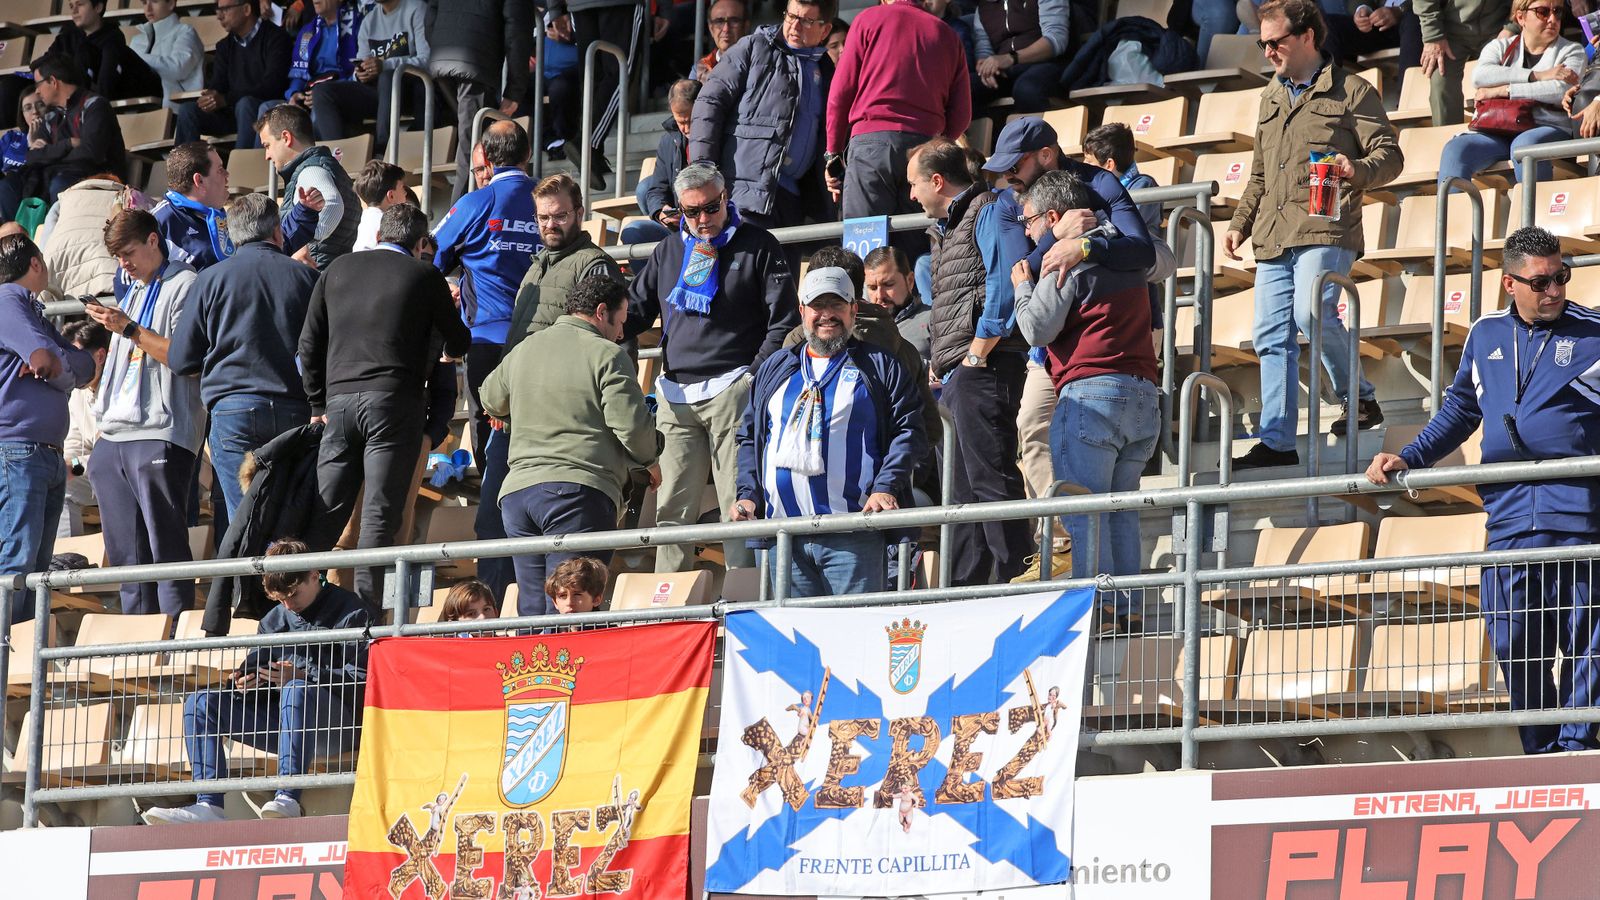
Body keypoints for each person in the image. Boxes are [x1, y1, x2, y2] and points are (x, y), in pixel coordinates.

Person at [1366, 225, 1600, 755]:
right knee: (1516, 642)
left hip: (1579, 514)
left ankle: (1577, 747)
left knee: (1589, 641)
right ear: (1508, 283)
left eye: (1561, 277)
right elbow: (1460, 412)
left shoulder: (1593, 332)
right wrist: (1412, 455)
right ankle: (1540, 752)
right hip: (1510, 515)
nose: (1554, 291)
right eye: (1541, 282)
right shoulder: (1485, 334)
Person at [1225, 0, 1401, 469]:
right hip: (1272, 233)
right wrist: (1239, 223)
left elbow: (1391, 155)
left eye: (1275, 42)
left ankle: (1358, 397)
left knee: (1310, 311)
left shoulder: (1352, 90)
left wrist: (1356, 168)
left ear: (1307, 37)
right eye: (1262, 43)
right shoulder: (1270, 96)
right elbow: (1260, 174)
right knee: (1269, 336)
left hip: (1326, 226)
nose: (1268, 52)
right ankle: (1278, 442)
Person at [625, 162, 800, 573]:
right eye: (691, 211)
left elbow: (784, 321)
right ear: (679, 210)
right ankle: (671, 608)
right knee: (671, 510)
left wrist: (752, 377)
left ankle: (743, 602)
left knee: (736, 507)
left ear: (727, 198)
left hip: (733, 388)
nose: (703, 219)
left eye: (711, 207)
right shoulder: (668, 250)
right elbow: (633, 311)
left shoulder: (758, 244)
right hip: (675, 394)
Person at [299, 203, 471, 605]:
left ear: (379, 236)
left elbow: (308, 344)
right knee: (380, 516)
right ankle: (368, 618)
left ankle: (301, 605)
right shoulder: (424, 274)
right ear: (420, 243)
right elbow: (458, 339)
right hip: (394, 405)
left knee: (326, 512)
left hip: (338, 404)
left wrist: (316, 401)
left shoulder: (336, 269)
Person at [1012, 170, 1158, 630]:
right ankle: (1126, 611)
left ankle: (1097, 615)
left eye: (1030, 222)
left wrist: (1021, 285)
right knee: (1121, 515)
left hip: (1091, 395)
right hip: (1142, 396)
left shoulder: (1064, 259)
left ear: (1054, 218)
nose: (1028, 233)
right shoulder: (1127, 250)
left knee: (1083, 514)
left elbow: (1036, 328)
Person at [141, 538, 372, 825]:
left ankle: (287, 796)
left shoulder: (351, 611)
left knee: (297, 689)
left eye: (293, 595)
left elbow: (363, 681)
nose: (287, 605)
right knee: (200, 703)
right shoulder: (273, 620)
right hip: (286, 723)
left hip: (337, 726)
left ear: (315, 576)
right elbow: (257, 671)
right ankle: (208, 804)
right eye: (280, 599)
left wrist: (304, 677)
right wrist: (244, 685)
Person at [734, 266, 926, 597]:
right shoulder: (776, 367)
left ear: (854, 309)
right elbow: (750, 437)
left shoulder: (879, 366)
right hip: (785, 537)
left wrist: (886, 487)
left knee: (857, 640)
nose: (827, 315)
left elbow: (908, 430)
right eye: (817, 306)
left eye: (836, 305)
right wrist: (748, 494)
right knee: (799, 643)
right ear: (802, 312)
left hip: (854, 534)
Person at [480, 276, 658, 616]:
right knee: (569, 608)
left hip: (519, 496)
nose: (621, 334)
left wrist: (515, 412)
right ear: (602, 312)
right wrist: (650, 458)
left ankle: (536, 671)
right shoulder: (608, 354)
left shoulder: (526, 348)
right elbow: (633, 427)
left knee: (534, 611)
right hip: (577, 492)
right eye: (620, 322)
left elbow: (489, 396)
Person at [911, 137, 1035, 585]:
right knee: (961, 495)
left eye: (914, 184)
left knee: (990, 480)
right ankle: (966, 591)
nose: (911, 194)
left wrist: (975, 354)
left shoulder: (988, 210)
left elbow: (1004, 282)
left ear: (937, 181)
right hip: (959, 371)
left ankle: (1016, 581)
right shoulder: (948, 225)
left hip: (986, 365)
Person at [79, 209, 206, 617]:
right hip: (114, 435)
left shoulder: (187, 284)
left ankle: (171, 642)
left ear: (154, 240)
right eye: (117, 258)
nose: (124, 265)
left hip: (160, 430)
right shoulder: (132, 291)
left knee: (166, 549)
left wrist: (130, 328)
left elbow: (185, 358)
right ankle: (138, 642)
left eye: (129, 253)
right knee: (125, 558)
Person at [168, 193, 319, 519]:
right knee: (290, 519)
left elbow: (181, 359)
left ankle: (250, 571)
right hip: (297, 408)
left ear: (232, 236)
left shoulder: (210, 278)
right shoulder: (307, 278)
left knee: (244, 520)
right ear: (278, 233)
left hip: (233, 408)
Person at [824, 0, 970, 260]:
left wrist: (832, 153)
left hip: (871, 147)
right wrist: (934, 145)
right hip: (925, 151)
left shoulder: (867, 20)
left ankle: (867, 301)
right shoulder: (947, 33)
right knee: (919, 250)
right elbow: (962, 114)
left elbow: (840, 93)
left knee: (864, 247)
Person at [0, 233, 95, 622]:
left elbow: (85, 367)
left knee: (35, 567)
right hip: (19, 450)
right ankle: (6, 662)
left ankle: (17, 660)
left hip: (44, 453)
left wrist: (57, 366)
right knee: (18, 560)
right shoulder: (8, 301)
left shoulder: (33, 310)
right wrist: (57, 364)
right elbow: (45, 361)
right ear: (35, 263)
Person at [689, 0, 837, 230]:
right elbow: (709, 103)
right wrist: (702, 167)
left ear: (825, 30)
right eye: (791, 16)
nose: (795, 26)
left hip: (794, 200)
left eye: (806, 21)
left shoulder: (827, 70)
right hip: (744, 193)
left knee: (783, 266)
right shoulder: (753, 47)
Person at [1438, 0, 1582, 185]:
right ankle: (1451, 214)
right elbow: (1480, 77)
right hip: (1498, 129)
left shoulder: (1572, 51)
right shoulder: (1499, 47)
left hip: (1546, 127)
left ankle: (1533, 213)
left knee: (1525, 146)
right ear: (1520, 17)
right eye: (1542, 12)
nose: (1552, 19)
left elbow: (1559, 90)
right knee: (1456, 149)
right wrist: (1536, 76)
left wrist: (1504, 90)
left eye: (1558, 12)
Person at [425, 0, 532, 202]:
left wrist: (442, 47)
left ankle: (473, 209)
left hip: (443, 56)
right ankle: (457, 219)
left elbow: (430, 16)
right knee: (472, 147)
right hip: (475, 61)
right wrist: (515, 91)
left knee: (472, 140)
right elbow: (518, 34)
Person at [506, 174, 626, 350]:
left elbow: (607, 343)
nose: (550, 225)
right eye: (543, 217)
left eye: (560, 216)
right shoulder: (536, 266)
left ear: (579, 214)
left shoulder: (596, 265)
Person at [0, 57, 126, 220]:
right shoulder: (52, 116)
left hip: (98, 179)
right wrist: (67, 145)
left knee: (60, 183)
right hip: (58, 175)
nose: (37, 91)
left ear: (53, 81)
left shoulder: (94, 106)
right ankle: (18, 238)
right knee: (8, 185)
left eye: (38, 84)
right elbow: (32, 157)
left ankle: (55, 241)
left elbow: (92, 153)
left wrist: (51, 154)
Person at [0, 0, 162, 118]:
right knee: (10, 85)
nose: (74, 11)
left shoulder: (112, 39)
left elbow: (106, 87)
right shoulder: (69, 34)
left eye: (80, 4)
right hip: (67, 92)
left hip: (103, 96)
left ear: (98, 6)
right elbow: (38, 64)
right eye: (71, 6)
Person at [173, 0, 293, 147]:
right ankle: (184, 167)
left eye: (226, 9)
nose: (219, 16)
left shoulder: (276, 37)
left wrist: (226, 99)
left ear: (246, 9)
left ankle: (242, 165)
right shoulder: (224, 46)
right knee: (188, 110)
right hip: (231, 114)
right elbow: (219, 85)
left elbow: (273, 86)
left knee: (246, 104)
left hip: (264, 112)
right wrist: (211, 97)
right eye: (218, 10)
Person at [312, 0, 427, 150]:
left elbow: (427, 60)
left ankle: (382, 149)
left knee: (387, 77)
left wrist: (385, 65)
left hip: (409, 91)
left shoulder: (416, 9)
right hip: (378, 93)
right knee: (322, 91)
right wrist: (362, 73)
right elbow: (362, 61)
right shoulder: (369, 20)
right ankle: (337, 159)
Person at [1082, 121, 1164, 329]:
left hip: (1141, 285)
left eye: (1088, 160)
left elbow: (1120, 229)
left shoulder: (1143, 185)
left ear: (1109, 165)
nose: (1082, 165)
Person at [258, 103, 359, 269]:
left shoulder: (311, 170)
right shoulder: (326, 167)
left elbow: (332, 202)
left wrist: (303, 241)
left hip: (317, 278)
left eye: (267, 146)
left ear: (286, 137)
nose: (267, 156)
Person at [1413, 0, 1511, 126]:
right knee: (1441, 80)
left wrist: (1511, 28)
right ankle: (1447, 140)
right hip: (1450, 31)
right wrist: (1433, 35)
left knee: (1509, 77)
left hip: (1500, 27)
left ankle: (1505, 136)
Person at [624, 78, 697, 245]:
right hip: (678, 224)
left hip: (706, 221)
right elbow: (657, 188)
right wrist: (661, 211)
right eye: (680, 122)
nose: (686, 129)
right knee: (633, 232)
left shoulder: (716, 137)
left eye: (690, 121)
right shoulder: (668, 141)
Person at [970, 0, 1069, 111]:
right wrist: (985, 68)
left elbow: (1056, 40)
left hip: (1046, 63)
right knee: (964, 89)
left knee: (1027, 89)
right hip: (1004, 72)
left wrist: (1011, 57)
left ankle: (1038, 128)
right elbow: (983, 49)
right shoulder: (983, 7)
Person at [59, 319, 108, 538]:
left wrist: (74, 465)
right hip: (97, 471)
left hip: (130, 472)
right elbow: (72, 446)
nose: (70, 365)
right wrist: (64, 466)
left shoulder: (123, 386)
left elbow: (110, 454)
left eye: (75, 357)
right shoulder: (78, 391)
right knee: (54, 481)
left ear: (100, 356)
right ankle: (66, 561)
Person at [153, 142, 234, 272]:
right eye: (220, 170)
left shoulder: (223, 216)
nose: (227, 174)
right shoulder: (157, 222)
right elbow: (129, 282)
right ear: (199, 181)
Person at [131, 0, 206, 110]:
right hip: (139, 108)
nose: (148, 9)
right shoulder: (136, 41)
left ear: (171, 3)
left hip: (177, 111)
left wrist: (136, 57)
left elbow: (177, 69)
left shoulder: (185, 32)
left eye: (154, 1)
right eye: (144, 2)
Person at [863, 245, 931, 364]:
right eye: (872, 288)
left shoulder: (934, 320)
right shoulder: (858, 327)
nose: (879, 295)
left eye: (888, 284)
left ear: (910, 281)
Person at [535, 9, 582, 167]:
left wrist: (570, 37)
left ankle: (565, 139)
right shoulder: (538, 8)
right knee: (513, 91)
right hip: (539, 70)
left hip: (571, 69)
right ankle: (549, 141)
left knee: (560, 89)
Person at [351, 159, 407, 252]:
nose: (405, 193)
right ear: (391, 196)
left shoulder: (364, 219)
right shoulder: (388, 225)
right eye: (402, 188)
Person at [694, 0, 751, 82]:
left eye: (734, 21)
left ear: (746, 26)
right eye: (719, 22)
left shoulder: (758, 66)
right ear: (711, 29)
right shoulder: (700, 68)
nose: (726, 29)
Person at [1, 85, 46, 182]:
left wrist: (32, 148)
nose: (35, 112)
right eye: (28, 108)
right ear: (22, 114)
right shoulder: (11, 137)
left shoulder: (57, 136)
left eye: (40, 105)